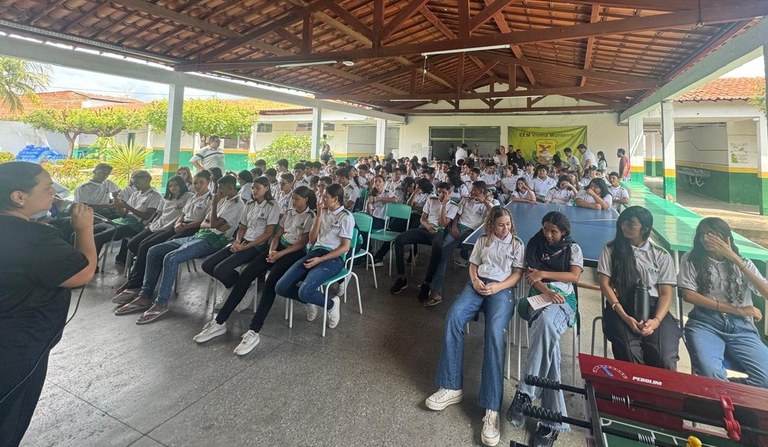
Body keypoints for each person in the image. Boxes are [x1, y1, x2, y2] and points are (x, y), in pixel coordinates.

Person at [0, 162, 96, 446]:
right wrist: (85, 229)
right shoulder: (33, 238)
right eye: (46, 187)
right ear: (19, 197)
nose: (54, 191)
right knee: (10, 417)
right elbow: (83, 273)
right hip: (17, 344)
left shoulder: (24, 230)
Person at [425, 206, 524, 447]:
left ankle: (491, 410)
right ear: (492, 224)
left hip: (501, 290)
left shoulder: (517, 244)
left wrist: (497, 288)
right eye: (501, 225)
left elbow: (517, 274)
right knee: (454, 317)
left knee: (493, 333)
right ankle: (450, 386)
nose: (505, 228)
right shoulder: (482, 240)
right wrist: (476, 280)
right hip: (478, 285)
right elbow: (473, 264)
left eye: (508, 224)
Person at [193, 186, 317, 355]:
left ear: (306, 200)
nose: (292, 201)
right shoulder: (288, 212)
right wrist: (273, 250)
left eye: (296, 199)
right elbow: (278, 235)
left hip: (293, 253)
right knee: (246, 275)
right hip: (277, 249)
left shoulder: (311, 216)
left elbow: (302, 243)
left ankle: (254, 331)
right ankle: (219, 322)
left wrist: (280, 254)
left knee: (270, 283)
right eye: (292, 198)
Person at [114, 176, 245, 324]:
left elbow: (212, 222)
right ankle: (145, 294)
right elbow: (205, 223)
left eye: (221, 189)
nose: (218, 192)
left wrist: (214, 208)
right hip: (199, 234)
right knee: (153, 250)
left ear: (230, 188)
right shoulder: (223, 200)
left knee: (171, 257)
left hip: (212, 241)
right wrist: (212, 223)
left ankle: (161, 303)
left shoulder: (237, 204)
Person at [506, 211, 583, 447]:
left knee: (547, 329)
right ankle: (550, 424)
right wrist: (546, 290)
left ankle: (525, 393)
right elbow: (532, 276)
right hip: (539, 296)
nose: (548, 234)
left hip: (564, 300)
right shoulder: (535, 243)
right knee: (547, 330)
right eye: (546, 228)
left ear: (564, 233)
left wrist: (546, 275)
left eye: (554, 231)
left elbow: (574, 275)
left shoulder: (573, 248)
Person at [678, 218, 768, 388]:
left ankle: (726, 390)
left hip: (742, 328)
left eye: (712, 234)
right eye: (702, 234)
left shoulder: (743, 262)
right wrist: (737, 309)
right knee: (710, 373)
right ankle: (720, 393)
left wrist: (734, 258)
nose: (706, 238)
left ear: (726, 238)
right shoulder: (691, 259)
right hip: (706, 323)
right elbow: (689, 295)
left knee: (766, 379)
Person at [598, 206, 681, 370]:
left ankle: (657, 394)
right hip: (621, 306)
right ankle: (634, 394)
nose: (625, 227)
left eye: (631, 224)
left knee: (663, 357)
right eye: (623, 223)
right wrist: (624, 315)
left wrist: (655, 322)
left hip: (654, 308)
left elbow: (665, 294)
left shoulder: (661, 255)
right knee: (629, 353)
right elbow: (604, 284)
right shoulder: (611, 249)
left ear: (645, 228)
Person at [112, 171, 212, 304]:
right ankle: (136, 280)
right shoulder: (191, 197)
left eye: (201, 183)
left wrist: (180, 225)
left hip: (184, 229)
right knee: (137, 245)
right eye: (195, 183)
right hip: (172, 225)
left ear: (208, 183)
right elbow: (179, 214)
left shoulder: (203, 198)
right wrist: (172, 223)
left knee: (151, 249)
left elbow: (206, 221)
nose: (198, 185)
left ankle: (140, 285)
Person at [274, 183, 354, 330]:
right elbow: (312, 240)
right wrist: (319, 216)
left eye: (325, 197)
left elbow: (345, 247)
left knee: (304, 291)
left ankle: (331, 304)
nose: (321, 199)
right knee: (281, 287)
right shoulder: (323, 212)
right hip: (315, 252)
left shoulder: (346, 217)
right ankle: (310, 300)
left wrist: (322, 259)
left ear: (335, 199)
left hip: (333, 258)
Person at [204, 176, 280, 311]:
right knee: (207, 265)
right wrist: (238, 241)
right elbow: (242, 227)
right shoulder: (250, 204)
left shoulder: (272, 206)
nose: (254, 190)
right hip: (243, 242)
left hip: (258, 246)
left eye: (258, 188)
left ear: (266, 188)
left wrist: (245, 246)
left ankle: (242, 286)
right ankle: (235, 285)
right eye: (253, 187)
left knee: (221, 269)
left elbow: (268, 233)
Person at [424, 181, 493, 306]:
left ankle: (478, 292)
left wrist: (484, 201)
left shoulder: (486, 205)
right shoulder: (465, 200)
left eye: (474, 190)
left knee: (474, 257)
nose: (471, 192)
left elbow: (493, 214)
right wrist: (454, 226)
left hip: (472, 233)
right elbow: (456, 215)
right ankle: (436, 291)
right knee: (442, 253)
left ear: (481, 192)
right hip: (458, 229)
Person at [390, 182, 459, 300]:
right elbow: (422, 218)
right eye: (439, 192)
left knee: (438, 246)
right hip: (425, 228)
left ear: (449, 193)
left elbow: (443, 223)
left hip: (439, 231)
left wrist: (443, 205)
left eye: (444, 193)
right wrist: (427, 225)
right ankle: (401, 278)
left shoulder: (453, 206)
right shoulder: (431, 200)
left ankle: (426, 283)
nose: (441, 195)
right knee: (399, 239)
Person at [92, 170, 162, 265]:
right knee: (88, 231)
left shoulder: (154, 196)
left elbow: (147, 216)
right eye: (134, 183)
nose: (135, 185)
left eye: (137, 183)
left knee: (98, 238)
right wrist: (119, 206)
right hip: (123, 221)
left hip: (135, 226)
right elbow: (123, 214)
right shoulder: (135, 194)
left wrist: (128, 207)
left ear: (146, 181)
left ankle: (92, 266)